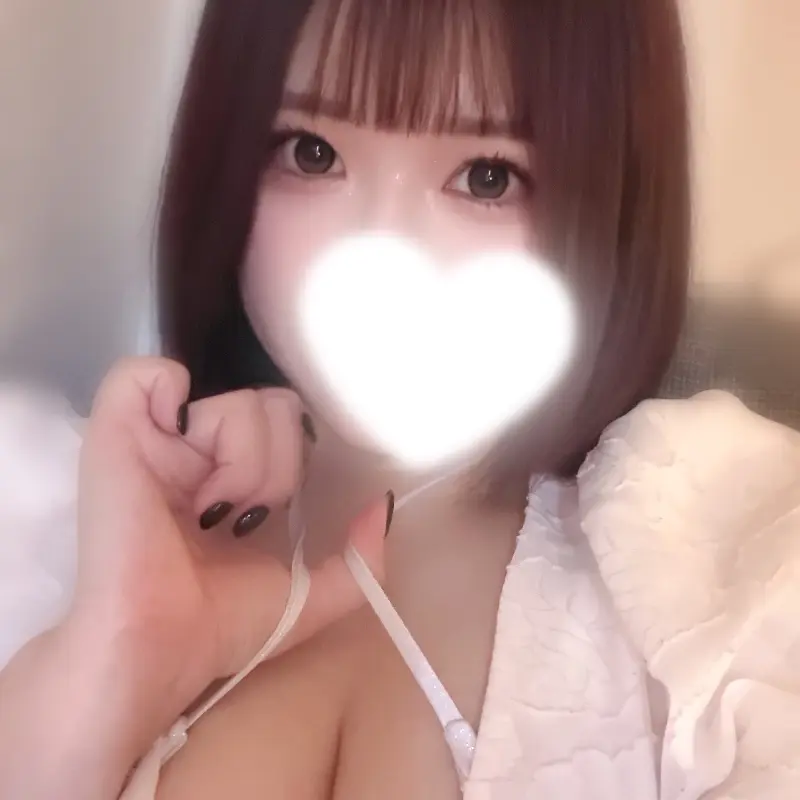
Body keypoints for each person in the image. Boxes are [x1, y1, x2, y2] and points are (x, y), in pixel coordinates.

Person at [2, 0, 800, 798]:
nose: (377, 249)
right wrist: (106, 668)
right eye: (311, 153)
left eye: (487, 176)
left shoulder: (716, 563)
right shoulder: (52, 524)